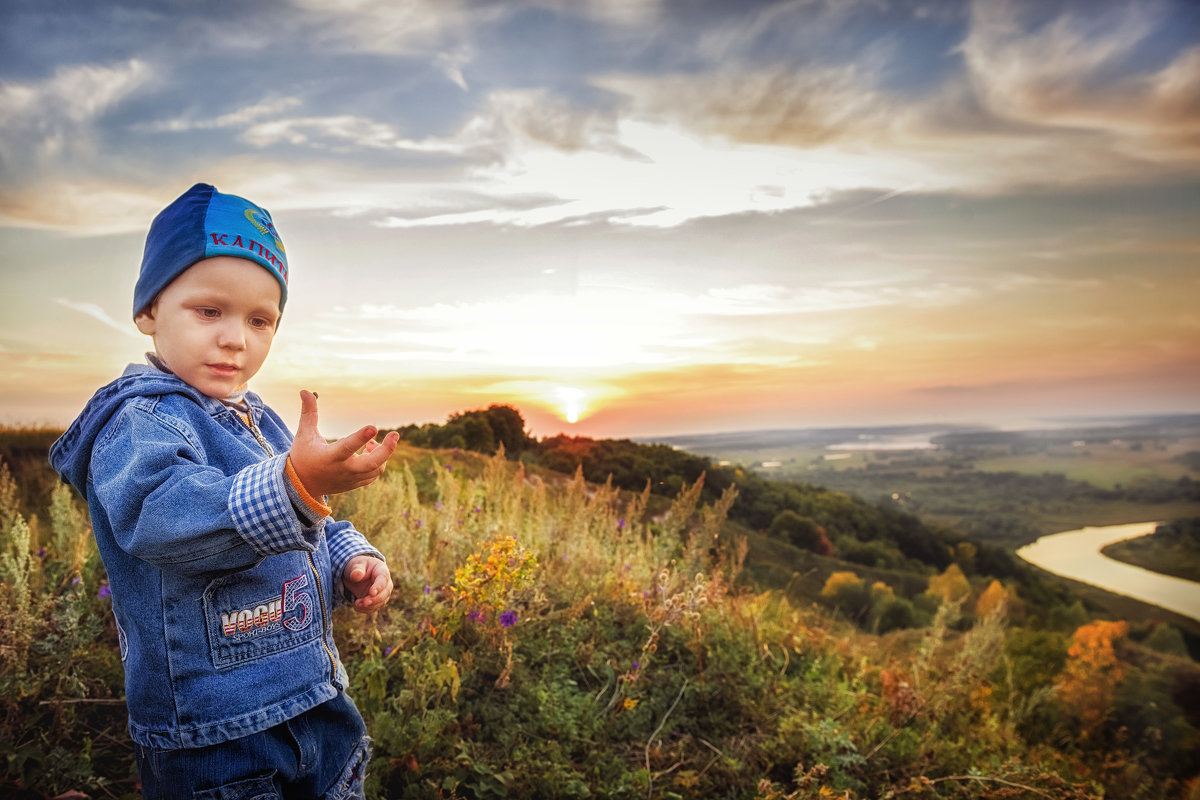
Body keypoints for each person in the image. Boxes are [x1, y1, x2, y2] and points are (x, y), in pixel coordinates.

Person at [49, 183, 399, 799]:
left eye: (260, 320)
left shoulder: (259, 419)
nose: (237, 337)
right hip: (214, 735)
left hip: (316, 696)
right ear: (149, 311)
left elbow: (308, 519)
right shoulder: (140, 423)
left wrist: (351, 557)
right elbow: (160, 516)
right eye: (210, 311)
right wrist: (294, 485)